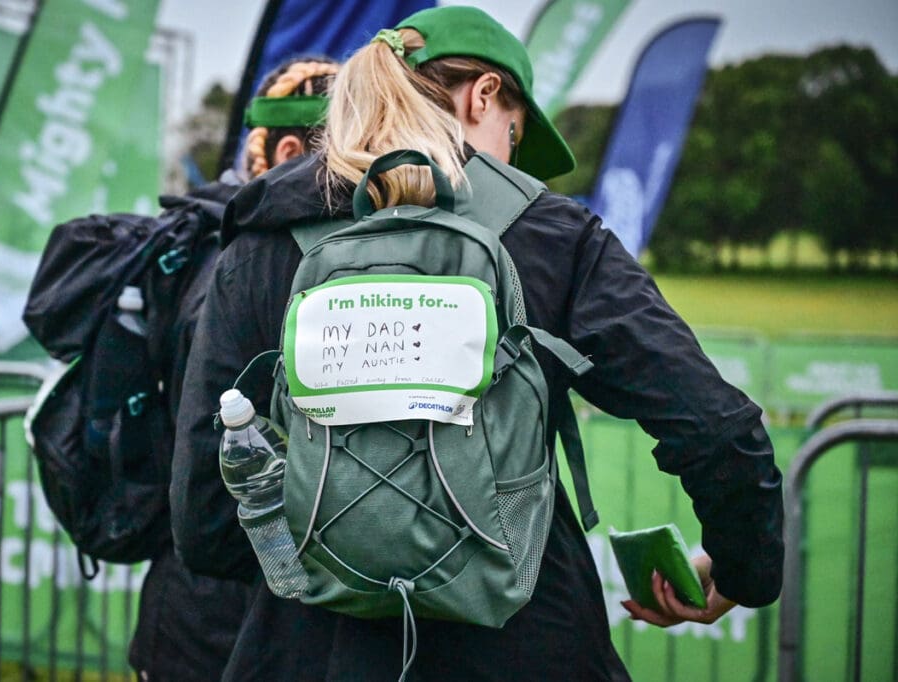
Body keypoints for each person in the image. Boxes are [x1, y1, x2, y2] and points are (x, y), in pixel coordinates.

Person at [171, 6, 783, 680]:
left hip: (308, 654)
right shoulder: (551, 234)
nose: (512, 162)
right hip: (527, 645)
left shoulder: (259, 238)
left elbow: (205, 515)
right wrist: (741, 566)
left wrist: (340, 561)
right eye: (515, 136)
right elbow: (716, 428)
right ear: (484, 95)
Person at [127, 56, 338, 681]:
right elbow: (215, 450)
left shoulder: (256, 255)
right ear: (292, 150)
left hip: (235, 604)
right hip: (214, 617)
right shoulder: (239, 263)